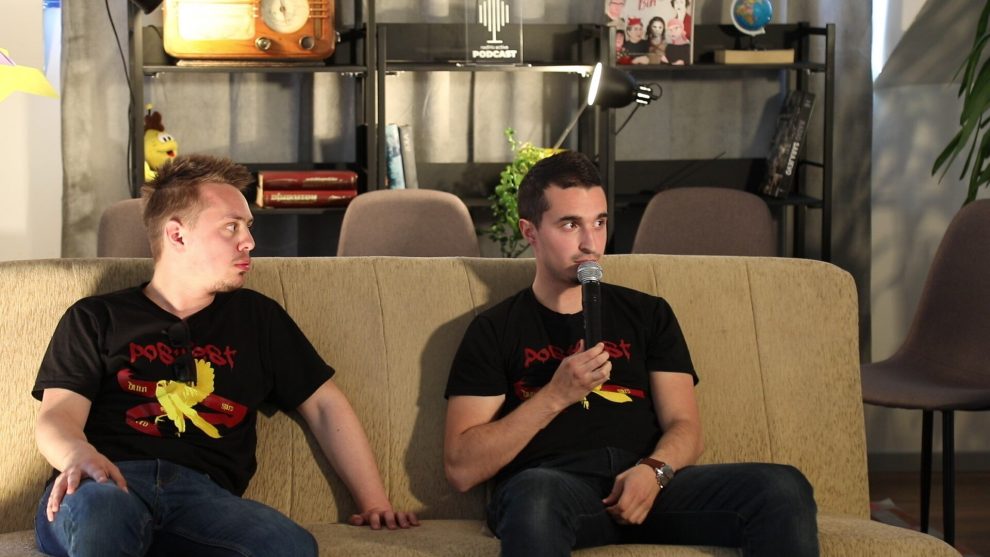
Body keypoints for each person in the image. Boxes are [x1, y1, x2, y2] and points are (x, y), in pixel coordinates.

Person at [33, 154, 419, 557]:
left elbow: (324, 406)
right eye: (231, 227)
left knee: (288, 545)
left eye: (248, 227)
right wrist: (78, 455)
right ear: (177, 236)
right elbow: (58, 415)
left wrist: (374, 502)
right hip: (105, 484)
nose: (249, 241)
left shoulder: (257, 318)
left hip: (203, 500)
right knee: (105, 516)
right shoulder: (97, 317)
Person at [443, 151, 819, 557]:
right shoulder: (495, 329)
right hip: (554, 487)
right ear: (529, 231)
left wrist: (654, 471)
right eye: (570, 224)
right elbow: (462, 468)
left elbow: (686, 427)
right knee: (534, 497)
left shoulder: (648, 313)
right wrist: (555, 395)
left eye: (599, 223)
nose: (590, 243)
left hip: (648, 484)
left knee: (782, 487)